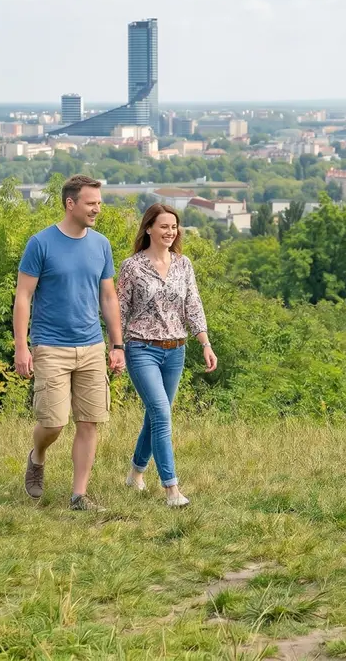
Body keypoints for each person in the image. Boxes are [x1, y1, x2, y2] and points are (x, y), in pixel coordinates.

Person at [14, 175, 125, 512]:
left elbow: (108, 296)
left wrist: (116, 345)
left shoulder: (101, 244)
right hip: (50, 346)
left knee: (90, 421)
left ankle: (79, 495)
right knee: (53, 423)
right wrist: (21, 346)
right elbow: (23, 297)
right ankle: (38, 455)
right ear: (70, 203)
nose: (97, 209)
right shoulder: (41, 243)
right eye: (91, 203)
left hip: (91, 346)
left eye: (99, 203)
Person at [118, 203, 217, 508]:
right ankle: (171, 489)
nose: (170, 232)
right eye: (163, 226)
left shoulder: (183, 264)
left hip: (176, 350)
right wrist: (116, 348)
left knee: (155, 415)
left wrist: (205, 343)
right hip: (141, 348)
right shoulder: (131, 267)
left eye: (173, 227)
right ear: (148, 228)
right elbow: (119, 311)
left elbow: (193, 305)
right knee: (162, 414)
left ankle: (135, 474)